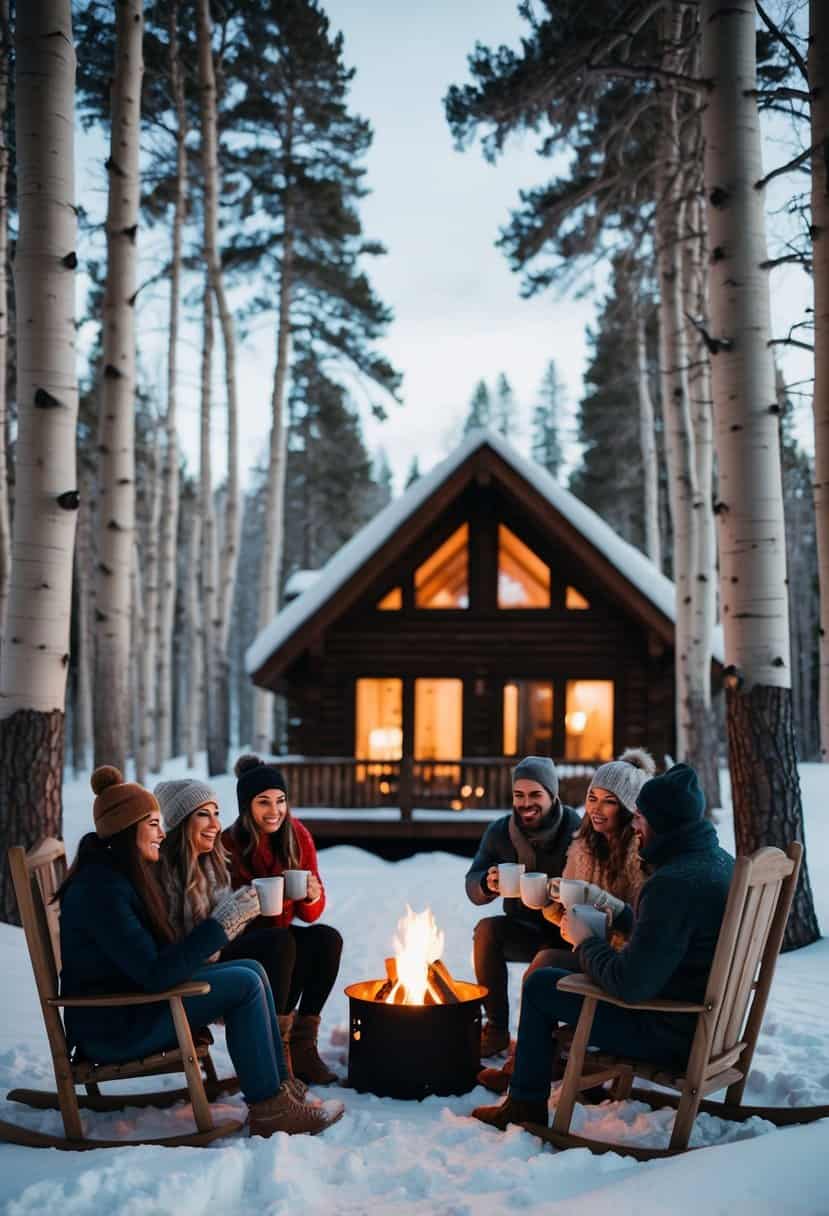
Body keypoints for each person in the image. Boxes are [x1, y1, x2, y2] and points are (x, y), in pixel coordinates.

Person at [57, 765, 343, 1137]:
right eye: (154, 825)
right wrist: (221, 925)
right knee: (243, 981)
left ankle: (278, 1091)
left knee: (251, 971)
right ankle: (270, 1107)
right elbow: (155, 973)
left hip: (131, 1004)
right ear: (128, 829)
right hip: (116, 1025)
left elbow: (151, 959)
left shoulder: (117, 874)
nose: (163, 833)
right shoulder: (104, 890)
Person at [471, 763, 735, 1131]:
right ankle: (536, 1068)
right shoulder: (718, 864)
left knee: (540, 985)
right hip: (702, 1019)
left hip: (667, 1031)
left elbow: (629, 984)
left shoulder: (670, 885)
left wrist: (587, 941)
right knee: (547, 968)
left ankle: (525, 1104)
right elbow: (658, 938)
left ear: (662, 822)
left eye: (640, 818)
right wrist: (616, 911)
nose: (635, 825)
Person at [477, 748, 653, 1093]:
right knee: (495, 936)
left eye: (609, 802)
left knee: (543, 964)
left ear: (629, 806)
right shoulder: (583, 846)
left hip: (621, 958)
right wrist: (549, 902)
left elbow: (641, 924)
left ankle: (525, 1066)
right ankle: (516, 1048)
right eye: (592, 798)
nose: (596, 810)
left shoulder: (641, 851)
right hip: (585, 943)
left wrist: (599, 902)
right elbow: (566, 912)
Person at [222, 754, 343, 1085]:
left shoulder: (298, 836)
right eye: (263, 802)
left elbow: (309, 914)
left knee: (326, 938)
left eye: (280, 801)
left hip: (280, 938)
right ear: (247, 806)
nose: (274, 811)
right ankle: (277, 1051)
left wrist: (312, 894)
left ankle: (303, 1046)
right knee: (282, 942)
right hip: (240, 944)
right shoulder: (228, 843)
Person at [465, 755, 582, 1056]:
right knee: (486, 931)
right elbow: (472, 880)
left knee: (546, 960)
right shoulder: (500, 831)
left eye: (535, 795)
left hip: (566, 934)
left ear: (552, 795)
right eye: (519, 795)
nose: (526, 803)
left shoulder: (576, 830)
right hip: (523, 928)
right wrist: (485, 884)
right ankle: (497, 1029)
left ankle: (547, 1041)